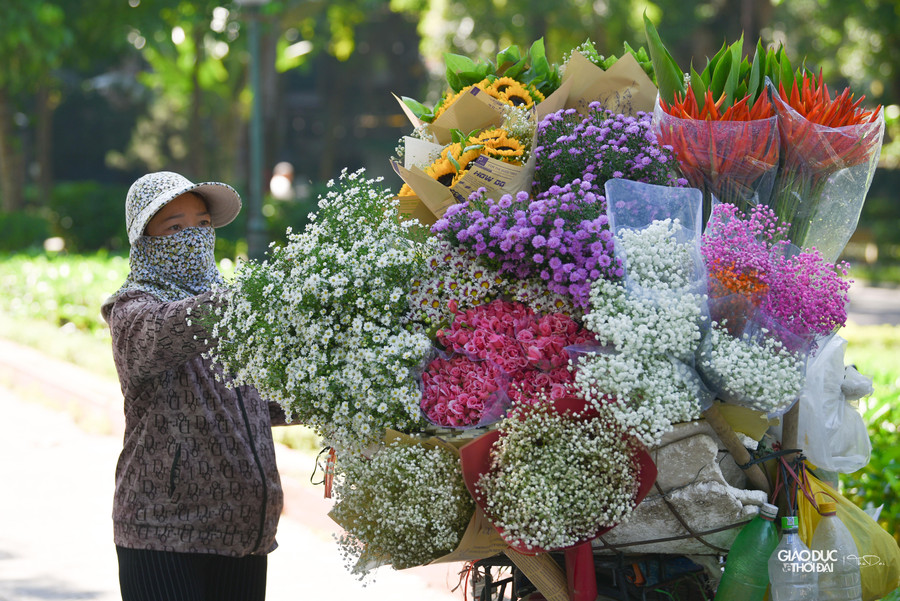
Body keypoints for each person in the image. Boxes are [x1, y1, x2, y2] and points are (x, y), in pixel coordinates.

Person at [101, 171, 285, 601]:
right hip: (163, 535)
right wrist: (254, 299)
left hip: (242, 532)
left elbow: (264, 400)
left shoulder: (233, 308)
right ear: (145, 241)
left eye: (203, 224)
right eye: (175, 227)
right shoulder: (133, 311)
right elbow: (172, 330)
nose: (195, 236)